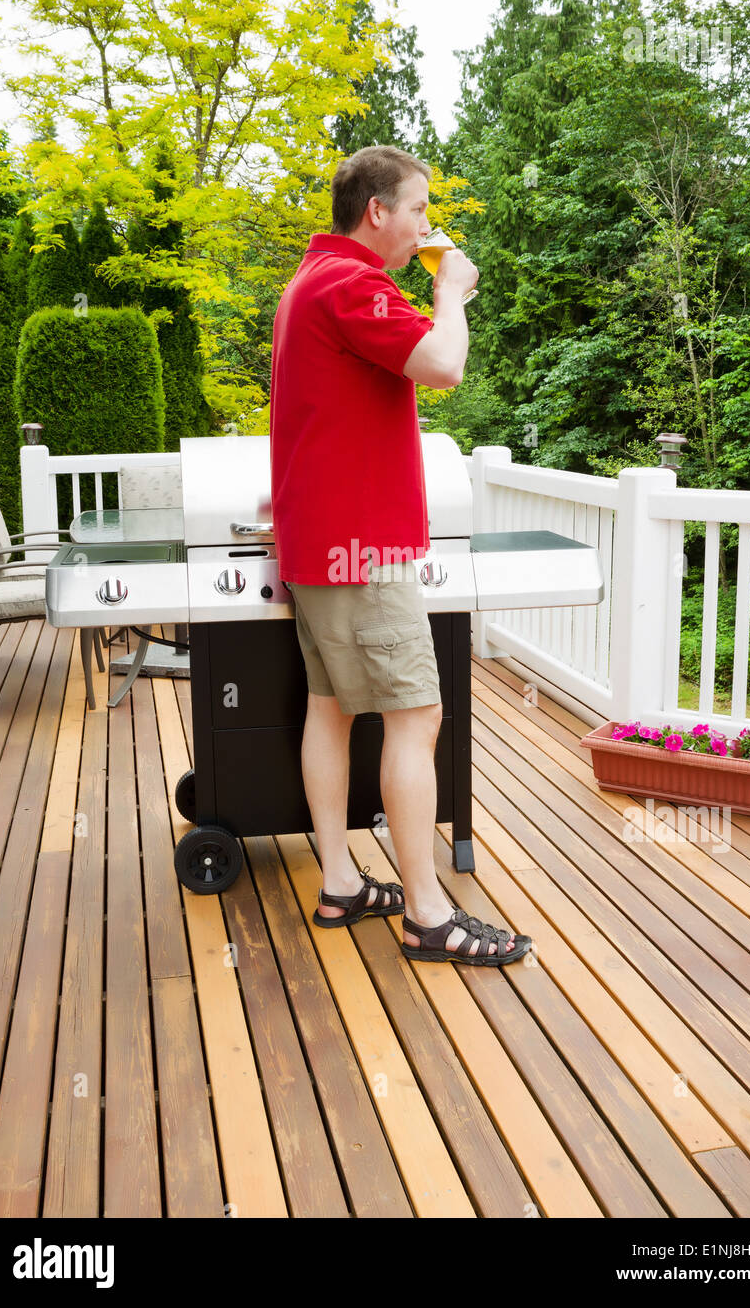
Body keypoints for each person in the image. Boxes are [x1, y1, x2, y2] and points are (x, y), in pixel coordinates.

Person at [269, 145, 530, 965]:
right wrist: (451, 291)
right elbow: (444, 366)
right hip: (359, 548)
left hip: (319, 544)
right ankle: (428, 915)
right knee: (416, 715)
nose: (426, 225)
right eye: (416, 208)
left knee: (330, 709)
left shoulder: (307, 281)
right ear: (376, 211)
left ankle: (343, 881)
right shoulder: (353, 285)